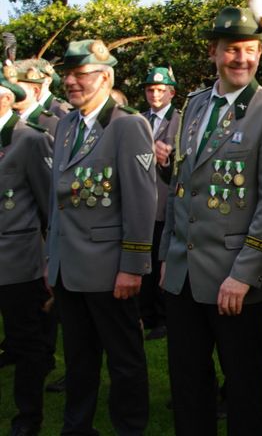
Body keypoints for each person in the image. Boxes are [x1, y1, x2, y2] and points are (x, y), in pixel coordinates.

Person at [159, 5, 262, 436]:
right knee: (187, 379)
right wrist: (167, 256)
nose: (242, 58)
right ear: (213, 52)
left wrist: (244, 274)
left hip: (234, 277)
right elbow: (183, 184)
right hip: (182, 271)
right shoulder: (195, 104)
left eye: (250, 49)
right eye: (232, 49)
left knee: (245, 382)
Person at [47, 39, 156, 435]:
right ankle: (77, 428)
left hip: (110, 271)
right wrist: (51, 259)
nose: (71, 82)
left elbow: (142, 202)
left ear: (106, 77)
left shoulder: (127, 125)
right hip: (69, 268)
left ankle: (130, 427)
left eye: (81, 74)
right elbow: (57, 201)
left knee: (124, 359)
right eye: (67, 74)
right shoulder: (66, 125)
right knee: (79, 358)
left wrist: (133, 267)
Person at [0, 69, 53, 436]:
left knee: (26, 343)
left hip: (16, 260)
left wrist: (51, 258)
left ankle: (27, 418)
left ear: (6, 99)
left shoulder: (28, 139)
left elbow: (49, 205)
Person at [139, 66, 179, 341]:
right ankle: (146, 312)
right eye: (150, 89)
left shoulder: (181, 120)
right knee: (144, 259)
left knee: (161, 258)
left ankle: (163, 317)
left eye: (161, 90)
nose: (155, 94)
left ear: (171, 93)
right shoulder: (138, 120)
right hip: (142, 202)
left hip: (165, 199)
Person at [11, 62, 59, 135]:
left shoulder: (50, 122)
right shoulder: (12, 118)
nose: (12, 93)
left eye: (18, 89)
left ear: (35, 91)